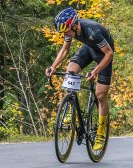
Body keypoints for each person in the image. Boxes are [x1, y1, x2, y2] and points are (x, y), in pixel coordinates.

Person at [45, 7, 114, 150]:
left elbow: (109, 54)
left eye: (66, 31)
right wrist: (53, 67)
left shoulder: (93, 32)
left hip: (104, 54)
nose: (65, 34)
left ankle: (101, 132)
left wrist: (95, 71)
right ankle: (69, 107)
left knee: (101, 95)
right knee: (70, 71)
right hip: (89, 49)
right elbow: (65, 49)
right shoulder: (70, 29)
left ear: (75, 25)